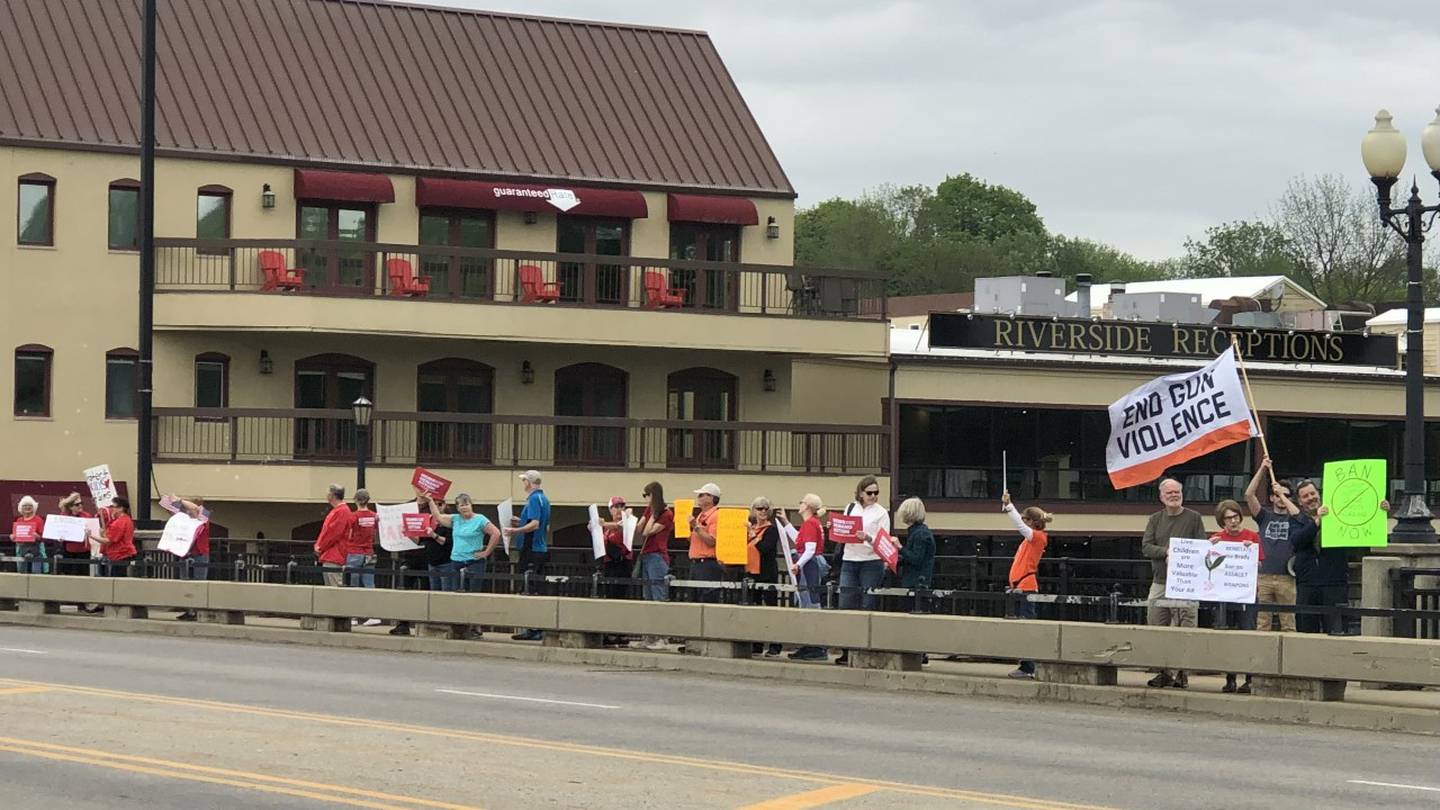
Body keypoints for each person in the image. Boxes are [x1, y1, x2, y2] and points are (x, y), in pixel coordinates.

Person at [1292, 478, 1380, 635]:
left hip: (1334, 583)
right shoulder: (1296, 520)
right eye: (1305, 496)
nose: (1311, 498)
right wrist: (1317, 521)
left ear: (1319, 494)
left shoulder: (1338, 516)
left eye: (1313, 493)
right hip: (1307, 585)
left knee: (1336, 630)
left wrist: (1380, 510)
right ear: (1300, 502)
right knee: (1306, 631)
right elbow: (1297, 541)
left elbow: (1362, 525)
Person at [1140, 478, 1205, 688]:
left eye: (1177, 492)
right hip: (1160, 582)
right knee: (1156, 625)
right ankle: (1164, 671)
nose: (1174, 496)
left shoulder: (1194, 518)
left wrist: (1182, 556)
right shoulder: (1154, 519)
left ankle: (1182, 673)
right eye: (1169, 493)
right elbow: (1146, 547)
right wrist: (1166, 552)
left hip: (1186, 583)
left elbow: (1201, 546)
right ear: (1161, 497)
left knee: (1186, 628)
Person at [833, 476, 891, 666]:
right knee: (846, 603)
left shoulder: (881, 513)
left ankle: (865, 648)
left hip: (871, 561)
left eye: (876, 493)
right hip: (850, 559)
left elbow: (884, 542)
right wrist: (834, 528)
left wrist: (867, 537)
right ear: (860, 493)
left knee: (867, 604)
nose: (873, 496)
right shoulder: (851, 507)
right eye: (869, 493)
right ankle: (847, 649)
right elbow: (843, 532)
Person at [1244, 458, 1307, 632]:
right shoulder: (1264, 516)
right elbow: (1249, 495)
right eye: (1278, 495)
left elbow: (1299, 516)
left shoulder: (1294, 517)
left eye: (1287, 496)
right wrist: (1263, 469)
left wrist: (1283, 495)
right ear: (1271, 497)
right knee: (1262, 623)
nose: (1282, 499)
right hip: (1264, 576)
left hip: (1287, 577)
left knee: (1288, 622)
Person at [1210, 499, 1260, 693]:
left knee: (1247, 634)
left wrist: (1250, 553)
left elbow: (1260, 565)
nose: (1233, 521)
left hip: (1247, 595)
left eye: (1235, 516)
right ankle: (1230, 678)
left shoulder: (1252, 537)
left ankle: (1249, 679)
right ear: (1222, 522)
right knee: (1226, 636)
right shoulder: (1217, 538)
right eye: (1228, 518)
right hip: (1224, 596)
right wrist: (1210, 546)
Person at [1002, 490, 1052, 679]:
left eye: (1025, 519)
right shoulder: (1031, 539)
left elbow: (1020, 527)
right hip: (1020, 586)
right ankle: (1026, 665)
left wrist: (1009, 506)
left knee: (1027, 627)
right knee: (1022, 627)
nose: (1023, 522)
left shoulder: (1037, 537)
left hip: (1026, 587)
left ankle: (1029, 666)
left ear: (1031, 521)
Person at [391, 493, 450, 636]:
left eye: (440, 503)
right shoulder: (427, 519)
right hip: (416, 558)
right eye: (435, 503)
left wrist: (433, 535)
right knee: (406, 591)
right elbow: (419, 541)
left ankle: (426, 624)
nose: (437, 506)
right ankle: (403, 624)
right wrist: (408, 534)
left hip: (435, 561)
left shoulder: (448, 520)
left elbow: (446, 542)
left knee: (428, 594)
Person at [502, 470, 551, 641]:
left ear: (528, 483)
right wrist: (520, 522)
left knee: (530, 588)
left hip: (532, 549)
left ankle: (534, 628)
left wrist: (514, 530)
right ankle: (535, 627)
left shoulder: (534, 499)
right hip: (538, 548)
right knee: (534, 587)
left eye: (524, 481)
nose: (523, 484)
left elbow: (535, 524)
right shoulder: (542, 498)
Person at [424, 491, 501, 594]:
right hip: (456, 561)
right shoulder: (455, 519)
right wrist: (430, 501)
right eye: (461, 505)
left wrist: (486, 552)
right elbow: (437, 516)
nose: (465, 508)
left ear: (471, 505)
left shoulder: (480, 519)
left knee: (473, 592)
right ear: (458, 508)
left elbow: (496, 533)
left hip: (474, 561)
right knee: (456, 592)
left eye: (467, 504)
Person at [630, 482, 674, 651]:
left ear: (653, 496)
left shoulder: (666, 514)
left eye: (646, 495)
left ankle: (662, 638)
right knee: (647, 596)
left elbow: (648, 531)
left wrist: (653, 516)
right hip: (646, 555)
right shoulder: (649, 510)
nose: (645, 499)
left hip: (658, 556)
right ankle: (649, 636)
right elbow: (639, 528)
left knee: (658, 595)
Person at [787, 493, 829, 661]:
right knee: (808, 601)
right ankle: (810, 645)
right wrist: (786, 523)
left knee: (810, 602)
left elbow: (810, 549)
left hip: (810, 565)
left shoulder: (810, 524)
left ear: (808, 506)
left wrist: (798, 564)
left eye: (802, 502)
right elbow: (799, 540)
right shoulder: (812, 524)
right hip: (811, 564)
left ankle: (816, 646)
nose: (800, 504)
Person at [749, 497, 783, 657]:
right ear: (754, 510)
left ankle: (775, 646)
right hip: (752, 573)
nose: (762, 511)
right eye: (759, 508)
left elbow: (765, 548)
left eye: (765, 509)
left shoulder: (771, 529)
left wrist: (753, 537)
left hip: (767, 573)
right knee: (754, 608)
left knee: (770, 609)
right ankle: (756, 644)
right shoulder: (751, 528)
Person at [171, 496, 212, 622]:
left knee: (198, 584)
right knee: (185, 583)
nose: (189, 511)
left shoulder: (204, 516)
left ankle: (197, 610)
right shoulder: (185, 519)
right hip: (186, 553)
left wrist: (180, 500)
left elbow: (196, 510)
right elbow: (167, 505)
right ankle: (189, 610)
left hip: (199, 554)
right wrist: (174, 501)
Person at [345, 489, 382, 626]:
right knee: (369, 584)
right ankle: (373, 615)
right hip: (369, 553)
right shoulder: (374, 516)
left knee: (353, 585)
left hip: (354, 552)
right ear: (368, 500)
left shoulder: (353, 517)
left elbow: (348, 534)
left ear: (355, 500)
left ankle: (353, 617)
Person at [686, 483, 724, 603]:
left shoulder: (716, 516)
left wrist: (696, 527)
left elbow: (711, 541)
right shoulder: (700, 516)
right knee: (693, 598)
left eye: (702, 495)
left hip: (707, 563)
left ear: (711, 498)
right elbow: (696, 539)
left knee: (707, 598)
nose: (699, 497)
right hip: (696, 563)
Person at [313, 484, 355, 587]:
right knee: (330, 586)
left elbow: (333, 533)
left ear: (332, 495)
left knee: (334, 587)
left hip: (334, 555)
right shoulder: (339, 511)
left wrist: (320, 546)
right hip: (330, 554)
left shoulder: (341, 511)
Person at [595, 496, 634, 600]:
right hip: (609, 564)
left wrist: (603, 524)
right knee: (609, 594)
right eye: (616, 507)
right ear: (610, 510)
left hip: (623, 563)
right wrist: (593, 526)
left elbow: (620, 526)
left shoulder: (628, 521)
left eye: (622, 506)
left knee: (621, 594)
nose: (619, 509)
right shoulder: (607, 531)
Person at [89, 496, 137, 577]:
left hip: (119, 554)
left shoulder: (119, 522)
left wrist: (91, 536)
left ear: (121, 508)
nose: (112, 509)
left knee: (116, 579)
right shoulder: (127, 519)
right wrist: (103, 534)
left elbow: (108, 540)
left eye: (113, 507)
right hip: (123, 553)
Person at [55, 493, 94, 577]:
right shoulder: (64, 516)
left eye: (81, 503)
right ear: (70, 507)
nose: (80, 506)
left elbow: (93, 531)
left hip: (83, 551)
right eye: (77, 504)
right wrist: (59, 537)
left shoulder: (87, 516)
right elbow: (59, 531)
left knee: (83, 574)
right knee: (68, 574)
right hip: (69, 550)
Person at [10, 495, 46, 574]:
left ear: (34, 507)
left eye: (30, 505)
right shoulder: (19, 520)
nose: (27, 507)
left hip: (36, 550)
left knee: (36, 573)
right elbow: (16, 536)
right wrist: (13, 537)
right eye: (25, 506)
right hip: (22, 550)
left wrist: (37, 536)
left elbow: (43, 537)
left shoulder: (38, 520)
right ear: (21, 508)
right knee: (21, 572)